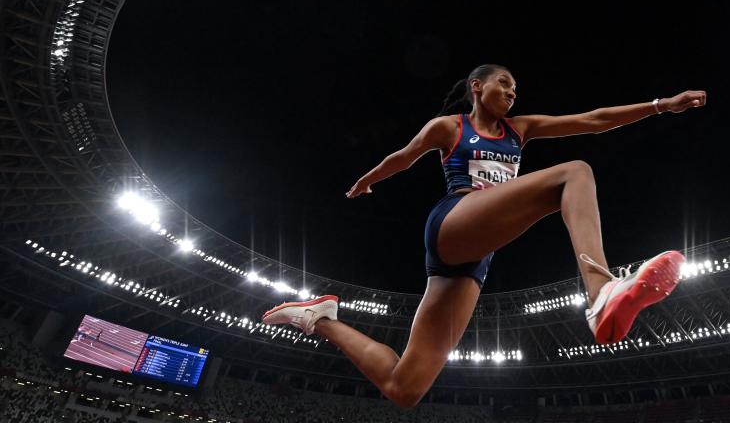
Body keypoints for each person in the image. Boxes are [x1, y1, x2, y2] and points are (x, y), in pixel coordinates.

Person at [263, 64, 706, 408]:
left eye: (516, 88)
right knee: (575, 173)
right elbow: (405, 155)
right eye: (504, 83)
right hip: (453, 222)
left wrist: (661, 105)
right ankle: (600, 291)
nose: (512, 92)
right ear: (478, 87)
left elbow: (591, 120)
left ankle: (318, 318)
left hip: (475, 257)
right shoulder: (450, 127)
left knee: (405, 387)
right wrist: (369, 179)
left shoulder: (522, 129)